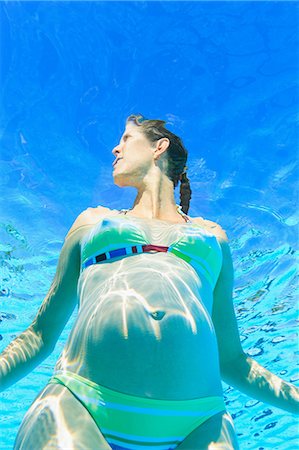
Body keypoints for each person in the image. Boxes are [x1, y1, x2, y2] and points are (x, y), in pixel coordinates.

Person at [1, 114, 298, 450]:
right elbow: (40, 334)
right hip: (81, 403)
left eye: (126, 138)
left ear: (160, 147)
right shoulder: (93, 221)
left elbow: (231, 360)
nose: (115, 148)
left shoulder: (214, 237)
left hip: (200, 421)